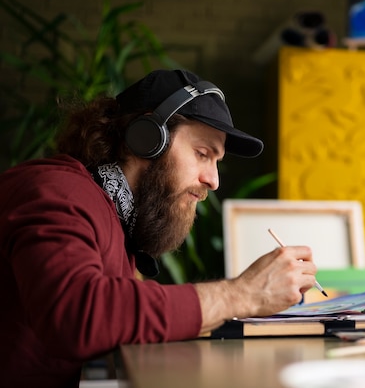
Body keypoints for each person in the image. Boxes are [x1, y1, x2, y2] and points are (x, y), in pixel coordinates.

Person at [0, 69, 318, 388]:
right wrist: (243, 294)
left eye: (216, 161)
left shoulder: (112, 214)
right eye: (202, 154)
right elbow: (76, 316)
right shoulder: (58, 192)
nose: (214, 180)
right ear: (147, 138)